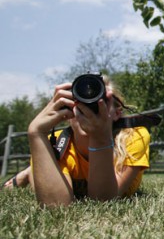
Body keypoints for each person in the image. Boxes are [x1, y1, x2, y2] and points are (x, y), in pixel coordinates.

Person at [17, 76, 150, 206]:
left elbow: (103, 201)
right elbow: (56, 206)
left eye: (103, 101)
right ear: (67, 110)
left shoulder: (133, 136)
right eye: (81, 103)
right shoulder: (55, 143)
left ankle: (30, 171)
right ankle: (29, 173)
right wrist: (36, 133)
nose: (88, 110)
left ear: (117, 113)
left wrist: (100, 137)